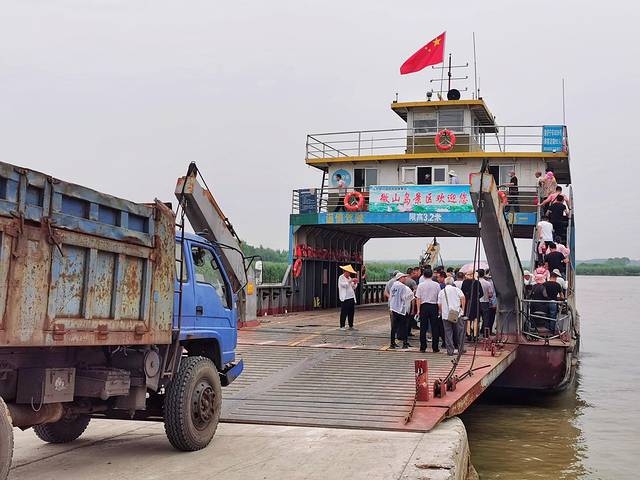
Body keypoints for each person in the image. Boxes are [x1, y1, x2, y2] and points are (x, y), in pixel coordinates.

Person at [438, 277, 466, 356]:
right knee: (460, 331)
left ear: (445, 283)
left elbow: (439, 304)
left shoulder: (442, 291)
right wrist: (463, 309)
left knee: (448, 332)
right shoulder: (457, 290)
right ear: (452, 282)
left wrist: (441, 312)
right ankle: (461, 349)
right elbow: (463, 298)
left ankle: (450, 350)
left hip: (446, 315)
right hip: (456, 313)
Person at [416, 269, 442, 353]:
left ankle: (423, 347)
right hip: (434, 306)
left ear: (423, 275)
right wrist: (439, 310)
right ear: (432, 275)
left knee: (423, 327)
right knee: (435, 327)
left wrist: (418, 310)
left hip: (424, 306)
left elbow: (418, 298)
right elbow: (439, 297)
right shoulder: (436, 285)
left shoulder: (420, 285)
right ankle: (435, 347)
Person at [388, 272, 415, 349]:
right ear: (400, 278)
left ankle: (392, 343)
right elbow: (404, 297)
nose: (405, 278)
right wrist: (412, 294)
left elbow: (391, 297)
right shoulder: (403, 287)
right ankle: (405, 343)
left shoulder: (393, 286)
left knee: (394, 327)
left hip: (394, 308)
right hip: (401, 309)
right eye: (403, 277)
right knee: (404, 326)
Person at [338, 264, 358, 330]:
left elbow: (353, 287)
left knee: (351, 312)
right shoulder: (341, 278)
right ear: (345, 272)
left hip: (351, 297)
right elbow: (344, 285)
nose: (349, 274)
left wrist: (355, 283)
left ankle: (351, 325)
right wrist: (351, 281)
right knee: (344, 312)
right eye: (348, 272)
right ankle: (342, 326)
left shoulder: (349, 278)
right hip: (345, 298)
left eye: (349, 272)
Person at [461, 272, 481, 340]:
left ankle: (469, 335)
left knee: (468, 319)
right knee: (475, 319)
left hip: (468, 302)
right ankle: (475, 336)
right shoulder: (477, 282)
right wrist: (476, 297)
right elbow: (481, 293)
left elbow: (462, 293)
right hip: (475, 303)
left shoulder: (465, 282)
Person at [477, 269, 495, 337]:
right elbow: (490, 294)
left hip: (477, 302)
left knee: (477, 319)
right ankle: (486, 334)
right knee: (486, 319)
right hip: (485, 302)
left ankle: (476, 334)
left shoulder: (475, 282)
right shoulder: (487, 283)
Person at [404, 268, 419, 338]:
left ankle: (402, 332)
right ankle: (408, 332)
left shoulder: (403, 280)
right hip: (410, 301)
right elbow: (416, 290)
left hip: (403, 301)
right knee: (409, 317)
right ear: (411, 273)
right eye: (413, 273)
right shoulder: (412, 281)